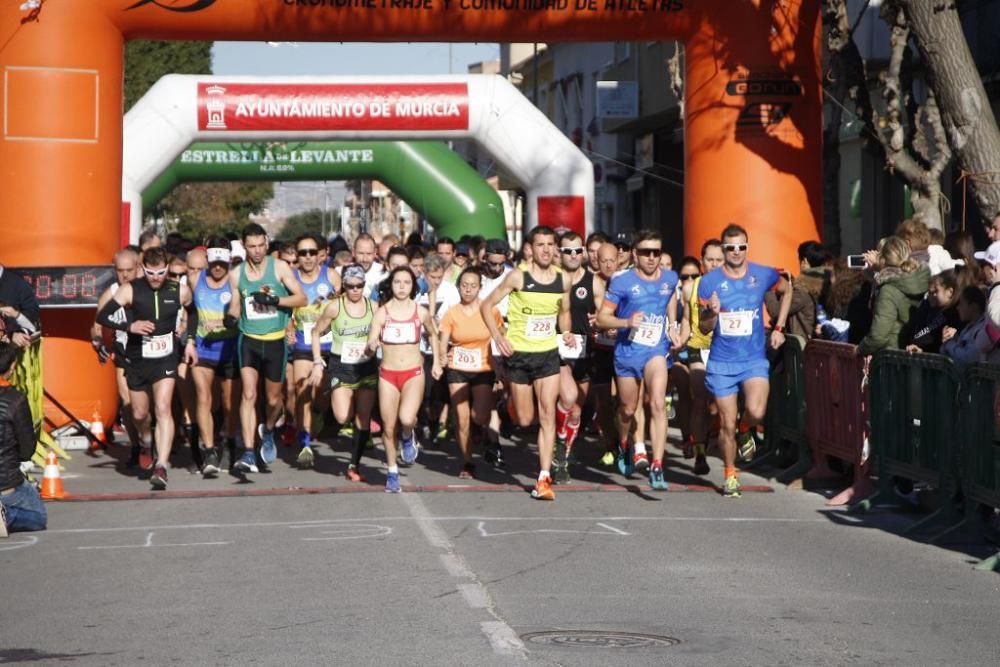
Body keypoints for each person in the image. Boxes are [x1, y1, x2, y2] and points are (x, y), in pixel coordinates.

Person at [698, 224, 793, 498]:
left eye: (741, 247)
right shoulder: (709, 282)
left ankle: (746, 427)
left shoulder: (762, 274)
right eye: (730, 248)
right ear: (723, 249)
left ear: (747, 248)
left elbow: (787, 290)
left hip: (753, 358)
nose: (736, 252)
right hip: (722, 362)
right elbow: (704, 328)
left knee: (757, 411)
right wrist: (712, 313)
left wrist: (779, 327)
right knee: (725, 423)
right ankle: (730, 473)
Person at [481, 226, 574, 501]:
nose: (546, 249)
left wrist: (566, 332)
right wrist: (498, 337)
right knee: (524, 418)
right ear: (530, 249)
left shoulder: (563, 279)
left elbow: (564, 313)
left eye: (550, 244)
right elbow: (486, 306)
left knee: (547, 416)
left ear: (555, 248)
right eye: (540, 244)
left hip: (547, 355)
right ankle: (505, 405)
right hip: (520, 355)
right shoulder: (517, 276)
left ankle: (543, 477)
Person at [96, 247, 198, 489]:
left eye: (161, 272)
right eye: (151, 273)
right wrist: (130, 326)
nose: (156, 278)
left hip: (165, 357)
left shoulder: (179, 290)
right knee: (140, 413)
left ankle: (161, 465)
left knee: (163, 407)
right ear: (143, 270)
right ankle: (145, 440)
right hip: (137, 359)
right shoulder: (131, 289)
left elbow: (193, 313)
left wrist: (190, 341)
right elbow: (103, 315)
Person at [597, 230, 681, 490]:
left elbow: (670, 299)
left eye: (656, 252)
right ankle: (624, 444)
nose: (652, 257)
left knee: (657, 403)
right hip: (628, 352)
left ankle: (657, 464)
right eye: (646, 252)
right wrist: (626, 321)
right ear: (635, 254)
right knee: (627, 410)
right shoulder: (621, 282)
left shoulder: (670, 277)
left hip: (656, 349)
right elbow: (602, 318)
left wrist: (673, 325)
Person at [226, 223, 307, 474]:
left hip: (275, 341)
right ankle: (249, 452)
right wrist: (230, 317)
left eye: (261, 245)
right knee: (248, 395)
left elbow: (302, 298)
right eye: (252, 246)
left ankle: (269, 429)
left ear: (267, 243)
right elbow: (236, 306)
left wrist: (275, 300)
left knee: (274, 400)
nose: (258, 251)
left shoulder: (279, 267)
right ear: (244, 247)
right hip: (248, 340)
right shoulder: (236, 274)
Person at [365, 266, 443, 493]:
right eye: (397, 282)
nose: (401, 287)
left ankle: (408, 435)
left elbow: (434, 334)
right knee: (389, 428)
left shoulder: (421, 312)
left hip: (413, 373)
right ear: (391, 285)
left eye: (406, 282)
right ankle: (392, 472)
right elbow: (370, 344)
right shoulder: (382, 312)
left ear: (413, 286)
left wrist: (437, 362)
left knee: (407, 418)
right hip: (388, 375)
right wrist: (371, 346)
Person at [309, 264, 378, 481]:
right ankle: (323, 411)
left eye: (360, 286)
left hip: (366, 366)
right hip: (341, 365)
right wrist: (317, 362)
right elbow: (316, 332)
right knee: (342, 416)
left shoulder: (374, 307)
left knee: (363, 418)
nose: (355, 290)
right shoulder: (334, 307)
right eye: (351, 286)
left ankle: (353, 465)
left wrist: (377, 343)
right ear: (344, 286)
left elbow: (383, 331)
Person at [439, 267, 504, 478]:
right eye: (464, 286)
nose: (468, 290)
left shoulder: (489, 311)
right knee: (461, 418)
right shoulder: (451, 312)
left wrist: (502, 368)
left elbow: (501, 337)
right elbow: (443, 341)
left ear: (480, 287)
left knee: (480, 415)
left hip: (484, 367)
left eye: (472, 286)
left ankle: (481, 432)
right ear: (458, 287)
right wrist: (441, 358)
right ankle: (468, 462)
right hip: (457, 368)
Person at [552, 231, 604, 483]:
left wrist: (600, 321)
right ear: (558, 253)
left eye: (577, 250)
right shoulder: (551, 279)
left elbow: (605, 313)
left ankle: (562, 452)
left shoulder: (593, 281)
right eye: (567, 251)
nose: (573, 255)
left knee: (575, 412)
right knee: (568, 396)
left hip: (584, 351)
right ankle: (559, 448)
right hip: (557, 348)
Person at [188, 239, 241, 477]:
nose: (218, 268)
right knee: (204, 398)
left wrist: (221, 322)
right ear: (207, 260)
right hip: (203, 348)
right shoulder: (195, 280)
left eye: (222, 263)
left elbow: (237, 314)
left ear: (228, 261)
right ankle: (209, 450)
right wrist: (189, 339)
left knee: (229, 404)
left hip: (230, 348)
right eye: (214, 263)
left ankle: (228, 442)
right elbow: (190, 311)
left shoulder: (236, 282)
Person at [289, 233, 342, 465]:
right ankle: (305, 443)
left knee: (321, 394)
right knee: (302, 391)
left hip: (329, 344)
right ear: (297, 256)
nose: (308, 257)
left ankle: (320, 413)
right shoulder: (290, 279)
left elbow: (342, 308)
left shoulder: (331, 276)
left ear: (319, 254)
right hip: (303, 343)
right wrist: (287, 326)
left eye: (312, 252)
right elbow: (285, 309)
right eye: (303, 253)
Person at [91, 248, 142, 463]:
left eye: (129, 270)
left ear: (138, 267)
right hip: (123, 352)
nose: (125, 275)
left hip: (150, 352)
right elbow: (95, 325)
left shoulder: (148, 287)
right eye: (120, 271)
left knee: (148, 407)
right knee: (127, 401)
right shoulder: (111, 292)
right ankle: (136, 446)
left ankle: (154, 441)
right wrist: (98, 341)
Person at [680, 240, 724, 474]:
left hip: (725, 350)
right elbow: (687, 318)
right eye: (710, 260)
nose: (715, 264)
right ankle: (700, 453)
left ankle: (718, 436)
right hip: (699, 347)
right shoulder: (691, 288)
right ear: (702, 261)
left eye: (719, 260)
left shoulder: (732, 286)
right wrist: (681, 336)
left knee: (717, 405)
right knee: (699, 399)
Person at [0, 343, 46, 537]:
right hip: (6, 482)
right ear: (12, 367)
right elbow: (27, 450)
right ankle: (6, 514)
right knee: (37, 516)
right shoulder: (15, 399)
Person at [856, 236, 930, 356]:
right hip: (909, 352)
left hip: (890, 356)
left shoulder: (889, 290)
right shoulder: (915, 281)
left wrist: (860, 349)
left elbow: (878, 336)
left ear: (883, 260)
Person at [902, 270, 960, 354]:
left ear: (950, 292)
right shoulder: (927, 308)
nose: (932, 295)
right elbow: (921, 335)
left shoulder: (953, 314)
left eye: (936, 291)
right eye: (930, 292)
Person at [941, 285, 987, 369]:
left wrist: (949, 344)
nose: (958, 308)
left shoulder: (981, 330)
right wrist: (948, 342)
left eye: (961, 304)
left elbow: (969, 358)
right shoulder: (966, 329)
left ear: (973, 307)